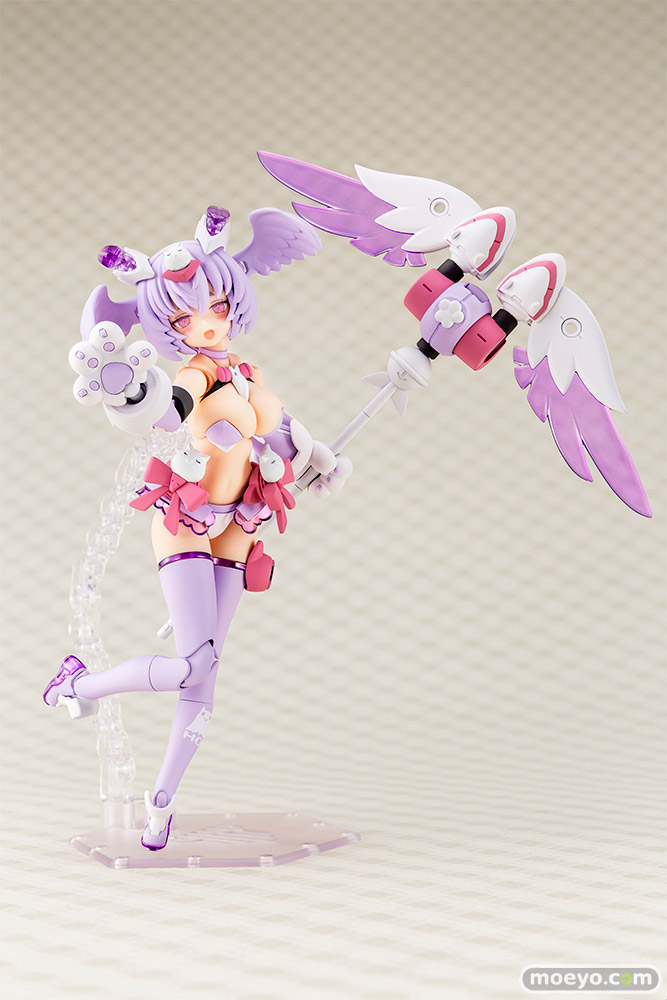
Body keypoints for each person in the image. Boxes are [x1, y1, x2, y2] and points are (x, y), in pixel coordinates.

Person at [43, 205, 350, 850]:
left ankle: (161, 803)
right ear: (165, 326)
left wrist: (319, 459)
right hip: (187, 520)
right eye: (184, 316)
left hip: (240, 524)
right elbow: (168, 407)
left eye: (216, 304)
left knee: (204, 685)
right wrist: (130, 393)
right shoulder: (195, 372)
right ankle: (80, 684)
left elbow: (282, 432)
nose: (207, 321)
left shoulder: (247, 372)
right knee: (194, 664)